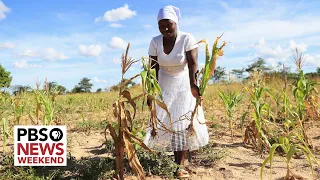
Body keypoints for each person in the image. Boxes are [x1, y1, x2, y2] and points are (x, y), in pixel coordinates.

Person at [143, 5, 209, 178]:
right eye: (161, 25)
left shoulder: (187, 38)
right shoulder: (155, 41)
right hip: (163, 82)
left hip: (184, 82)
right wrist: (151, 91)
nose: (164, 28)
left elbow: (193, 63)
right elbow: (153, 68)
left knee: (182, 123)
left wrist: (194, 85)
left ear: (176, 22)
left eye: (168, 24)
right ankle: (175, 161)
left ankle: (179, 166)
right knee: (167, 122)